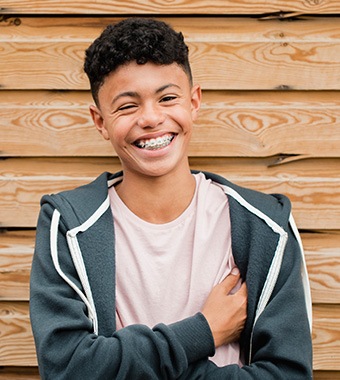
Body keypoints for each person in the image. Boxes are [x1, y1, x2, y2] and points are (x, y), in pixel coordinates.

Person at [30, 17, 313, 379]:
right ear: (100, 121)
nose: (151, 118)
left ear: (193, 102)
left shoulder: (264, 226)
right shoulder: (68, 225)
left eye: (167, 98)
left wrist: (128, 367)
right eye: (127, 106)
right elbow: (67, 369)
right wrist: (203, 332)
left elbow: (288, 374)